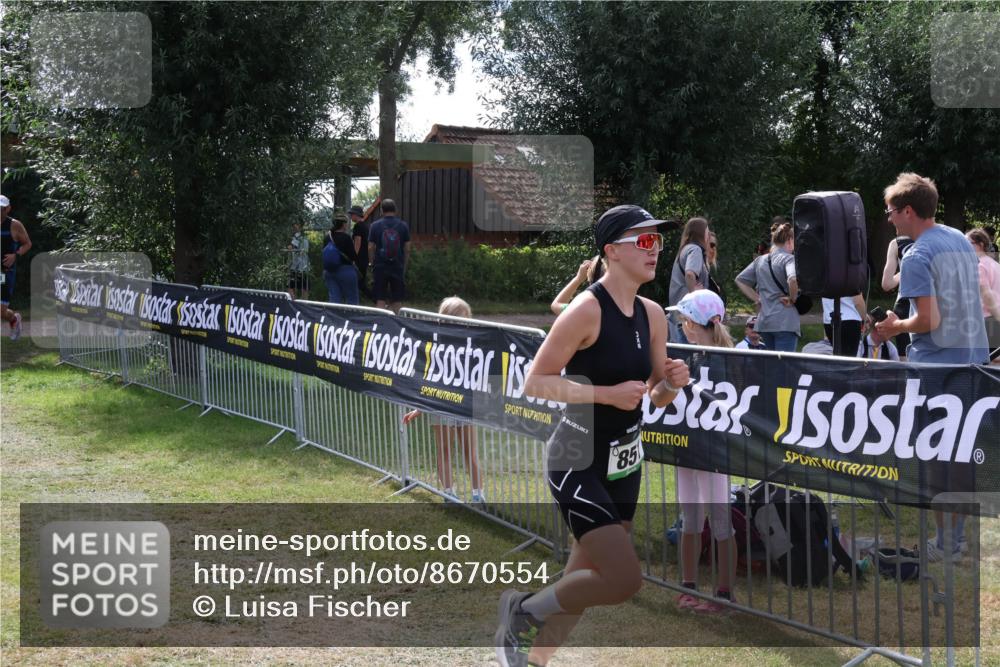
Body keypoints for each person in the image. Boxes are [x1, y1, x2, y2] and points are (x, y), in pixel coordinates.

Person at [495, 204, 690, 667]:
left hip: (625, 461)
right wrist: (605, 393)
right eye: (644, 241)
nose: (655, 249)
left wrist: (671, 383)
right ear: (611, 251)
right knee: (623, 580)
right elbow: (536, 382)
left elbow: (655, 396)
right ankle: (521, 609)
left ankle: (532, 660)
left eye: (658, 241)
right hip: (577, 458)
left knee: (583, 575)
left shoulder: (654, 313)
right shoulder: (586, 310)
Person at [874, 172, 989, 562]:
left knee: (938, 459)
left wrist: (894, 327)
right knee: (962, 456)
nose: (889, 218)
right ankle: (959, 542)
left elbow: (927, 320)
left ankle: (946, 545)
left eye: (891, 211)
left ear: (908, 211)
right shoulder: (958, 238)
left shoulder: (918, 254)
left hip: (938, 371)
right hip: (973, 364)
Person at [665, 289, 737, 614]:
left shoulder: (731, 360)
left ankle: (724, 594)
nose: (681, 326)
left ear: (695, 323)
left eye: (684, 320)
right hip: (688, 452)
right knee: (690, 519)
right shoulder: (686, 357)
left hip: (716, 455)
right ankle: (688, 586)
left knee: (721, 522)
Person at [403, 296, 485, 503]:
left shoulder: (472, 344)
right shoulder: (436, 345)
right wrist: (420, 407)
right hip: (441, 405)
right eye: (456, 320)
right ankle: (448, 493)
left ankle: (479, 494)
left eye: (464, 320)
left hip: (465, 407)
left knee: (470, 452)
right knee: (445, 450)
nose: (461, 325)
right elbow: (430, 380)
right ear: (443, 320)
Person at [734, 219, 801, 352]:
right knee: (784, 367)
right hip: (785, 321)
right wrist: (793, 298)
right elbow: (792, 279)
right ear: (789, 240)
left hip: (764, 321)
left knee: (772, 366)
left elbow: (740, 280)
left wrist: (757, 298)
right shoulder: (789, 258)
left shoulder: (760, 260)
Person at [667, 217, 711, 344]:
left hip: (679, 312)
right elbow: (690, 274)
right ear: (701, 232)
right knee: (690, 356)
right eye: (707, 231)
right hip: (689, 314)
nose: (708, 235)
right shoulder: (695, 250)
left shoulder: (684, 249)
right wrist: (695, 296)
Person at [368, 198, 410, 313]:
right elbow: (407, 249)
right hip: (397, 266)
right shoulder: (403, 226)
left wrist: (372, 263)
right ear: (395, 210)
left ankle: (380, 325)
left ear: (381, 211)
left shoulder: (374, 226)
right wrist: (404, 266)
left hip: (380, 266)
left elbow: (371, 247)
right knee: (397, 300)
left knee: (380, 299)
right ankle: (397, 326)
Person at [1, 194, 31, 341]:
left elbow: (27, 244)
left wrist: (15, 255)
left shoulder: (14, 225)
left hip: (5, 272)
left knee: (1, 311)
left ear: (8, 209)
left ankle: (13, 319)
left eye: (1, 208)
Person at [966, 228, 1000, 355]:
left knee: (984, 366)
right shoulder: (995, 265)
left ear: (980, 245)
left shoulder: (979, 266)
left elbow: (987, 295)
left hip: (986, 322)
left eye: (968, 243)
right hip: (994, 320)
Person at [881, 234, 914, 358]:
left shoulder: (897, 243)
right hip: (933, 305)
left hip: (905, 304)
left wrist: (905, 269)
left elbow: (887, 284)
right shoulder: (937, 239)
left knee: (905, 360)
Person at [322, 216, 360, 305]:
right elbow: (353, 256)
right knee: (352, 299)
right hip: (346, 271)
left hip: (329, 272)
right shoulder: (346, 237)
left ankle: (334, 318)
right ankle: (351, 318)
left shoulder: (327, 237)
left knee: (334, 299)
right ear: (343, 225)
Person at [349, 205, 373, 302]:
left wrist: (353, 257)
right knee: (360, 282)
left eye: (352, 214)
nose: (351, 217)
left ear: (356, 215)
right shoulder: (365, 226)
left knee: (359, 283)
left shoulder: (358, 226)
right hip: (364, 257)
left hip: (359, 259)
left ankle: (375, 299)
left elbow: (357, 242)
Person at [287, 222, 310, 299]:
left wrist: (291, 248)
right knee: (291, 286)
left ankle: (303, 305)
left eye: (296, 226)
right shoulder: (295, 237)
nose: (294, 228)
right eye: (293, 226)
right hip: (294, 266)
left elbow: (301, 250)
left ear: (300, 227)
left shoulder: (302, 238)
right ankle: (294, 305)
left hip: (302, 267)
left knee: (304, 287)